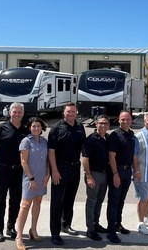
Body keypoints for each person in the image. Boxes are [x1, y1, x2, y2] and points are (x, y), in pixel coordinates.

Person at [0, 102, 29, 243]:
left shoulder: (26, 129)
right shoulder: (0, 128)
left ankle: (11, 227)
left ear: (23, 113)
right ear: (10, 112)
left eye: (19, 112)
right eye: (14, 112)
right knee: (0, 200)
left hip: (18, 170)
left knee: (15, 200)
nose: (17, 114)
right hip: (2, 169)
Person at [48, 102, 86, 245]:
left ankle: (66, 225)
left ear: (77, 112)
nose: (71, 114)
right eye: (68, 111)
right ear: (63, 113)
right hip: (60, 167)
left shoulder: (79, 126)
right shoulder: (56, 128)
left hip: (75, 167)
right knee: (57, 201)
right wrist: (54, 171)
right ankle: (55, 233)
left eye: (73, 111)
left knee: (69, 199)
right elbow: (51, 152)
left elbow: (84, 147)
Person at [15, 117, 50, 250]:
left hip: (42, 178)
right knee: (25, 205)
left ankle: (33, 230)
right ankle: (19, 236)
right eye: (34, 126)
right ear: (30, 127)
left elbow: (47, 160)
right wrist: (31, 179)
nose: (36, 128)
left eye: (39, 126)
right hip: (30, 178)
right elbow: (23, 162)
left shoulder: (44, 141)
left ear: (42, 128)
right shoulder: (26, 141)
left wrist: (48, 174)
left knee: (38, 202)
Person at [106, 110, 135, 244]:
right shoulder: (114, 135)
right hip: (117, 171)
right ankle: (111, 231)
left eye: (128, 119)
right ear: (119, 120)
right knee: (114, 201)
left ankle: (118, 223)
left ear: (131, 120)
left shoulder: (131, 134)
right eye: (123, 119)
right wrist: (115, 174)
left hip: (127, 171)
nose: (125, 121)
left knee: (121, 200)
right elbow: (112, 156)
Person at [82, 115, 110, 241]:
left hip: (105, 175)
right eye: (100, 123)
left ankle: (96, 223)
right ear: (96, 124)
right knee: (92, 201)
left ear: (108, 125)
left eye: (105, 123)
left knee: (99, 201)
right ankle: (90, 229)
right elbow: (85, 159)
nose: (103, 126)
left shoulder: (108, 138)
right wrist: (88, 176)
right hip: (94, 174)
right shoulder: (91, 139)